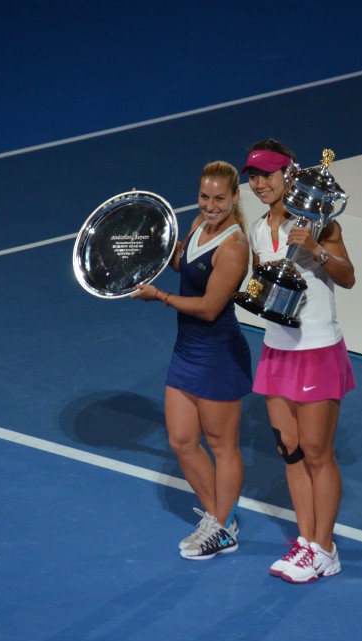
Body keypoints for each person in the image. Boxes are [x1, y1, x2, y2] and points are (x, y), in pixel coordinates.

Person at [241, 139, 356, 584]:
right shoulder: (256, 230)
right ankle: (307, 541)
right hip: (276, 349)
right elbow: (263, 286)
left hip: (317, 350)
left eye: (268, 174)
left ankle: (326, 549)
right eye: (253, 175)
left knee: (317, 453)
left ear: (289, 173)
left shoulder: (318, 220)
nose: (259, 182)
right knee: (290, 452)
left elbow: (348, 278)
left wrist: (317, 250)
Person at [133, 160, 253, 560]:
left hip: (218, 355)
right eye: (205, 196)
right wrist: (151, 240)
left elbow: (208, 307)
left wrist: (160, 296)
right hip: (186, 351)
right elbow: (184, 263)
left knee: (222, 446)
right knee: (182, 441)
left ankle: (221, 527)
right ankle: (221, 519)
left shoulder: (235, 246)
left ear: (236, 198)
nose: (210, 205)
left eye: (220, 198)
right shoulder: (198, 225)